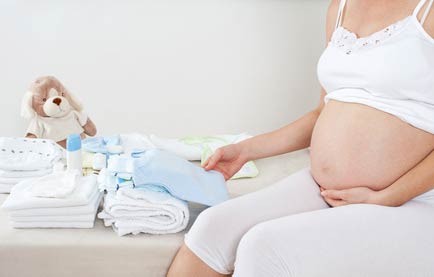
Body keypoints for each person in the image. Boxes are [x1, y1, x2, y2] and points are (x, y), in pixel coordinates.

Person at [167, 0, 434, 276]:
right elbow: (323, 112)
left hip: (415, 199)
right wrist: (247, 150)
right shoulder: (340, 8)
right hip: (326, 189)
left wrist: (387, 197)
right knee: (213, 227)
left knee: (264, 247)